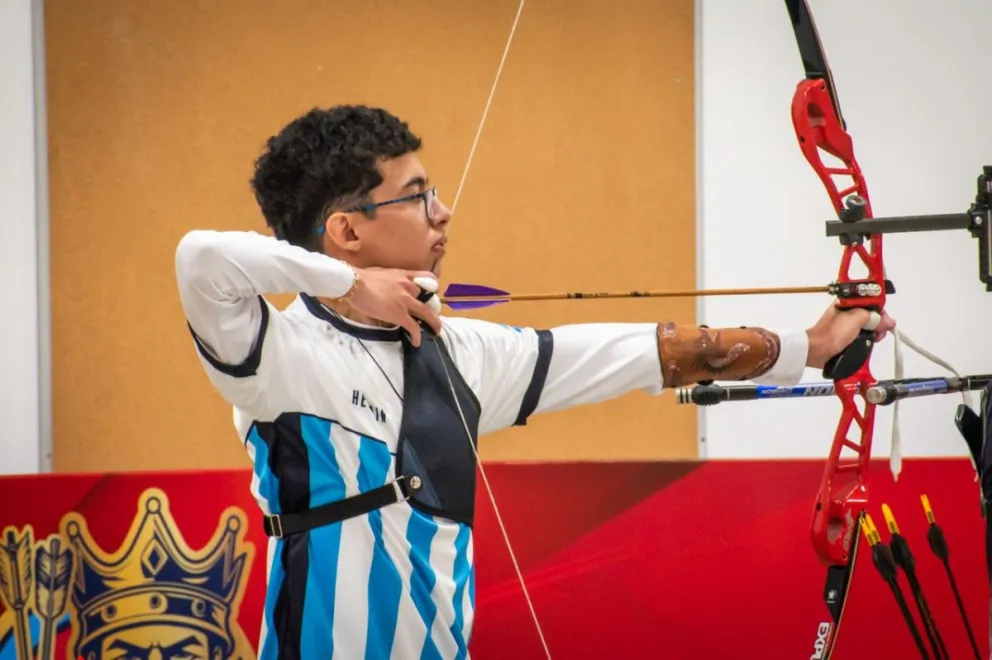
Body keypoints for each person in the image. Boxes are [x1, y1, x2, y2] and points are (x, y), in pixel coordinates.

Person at [174, 104, 895, 660]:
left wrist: (811, 344)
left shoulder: (460, 350)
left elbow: (646, 352)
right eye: (417, 195)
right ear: (347, 231)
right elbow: (200, 257)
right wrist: (349, 286)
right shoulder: (279, 356)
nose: (443, 211)